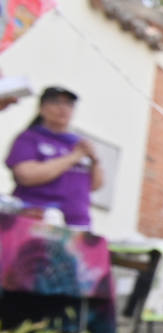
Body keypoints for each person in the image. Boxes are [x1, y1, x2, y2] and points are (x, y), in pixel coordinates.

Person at [5, 86, 102, 227]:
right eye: (56, 102)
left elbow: (94, 186)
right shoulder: (30, 138)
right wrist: (74, 157)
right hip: (37, 220)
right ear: (42, 108)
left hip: (77, 223)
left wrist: (95, 160)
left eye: (69, 104)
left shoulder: (77, 143)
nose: (63, 109)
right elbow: (25, 175)